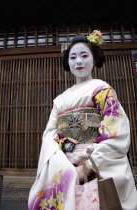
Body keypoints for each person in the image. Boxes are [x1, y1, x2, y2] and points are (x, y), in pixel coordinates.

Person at [28, 30, 137, 210]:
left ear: (93, 60)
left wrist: (87, 165)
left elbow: (115, 129)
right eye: (73, 57)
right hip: (64, 161)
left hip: (95, 158)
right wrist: (66, 153)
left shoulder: (102, 90)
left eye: (84, 56)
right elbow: (50, 133)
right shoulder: (60, 99)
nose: (78, 61)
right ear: (68, 62)